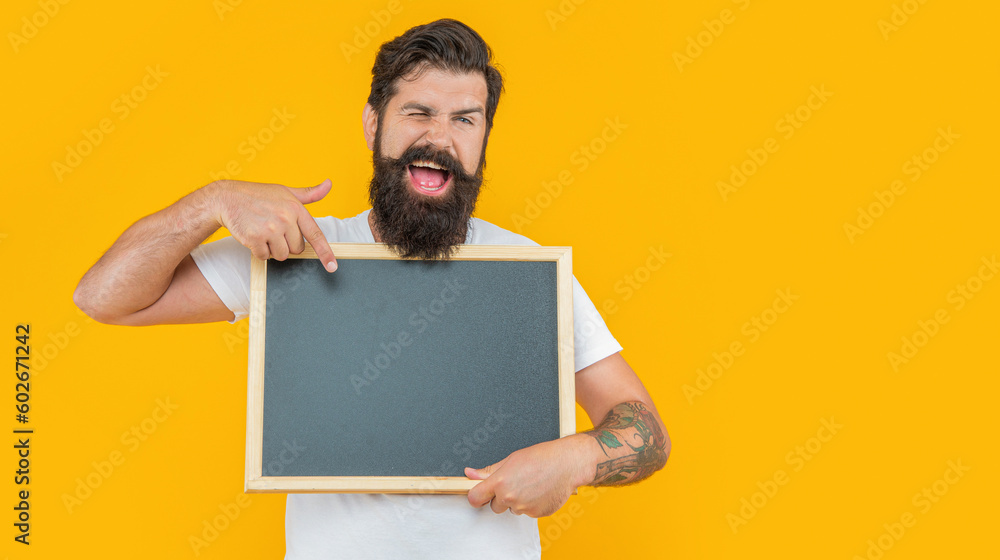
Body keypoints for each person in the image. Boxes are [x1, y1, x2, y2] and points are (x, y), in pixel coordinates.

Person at [74, 18, 670, 559]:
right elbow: (104, 297)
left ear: (484, 137)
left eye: (465, 119)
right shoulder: (295, 249)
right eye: (418, 112)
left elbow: (645, 431)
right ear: (372, 124)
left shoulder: (530, 271)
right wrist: (212, 202)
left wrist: (577, 459)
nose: (440, 137)